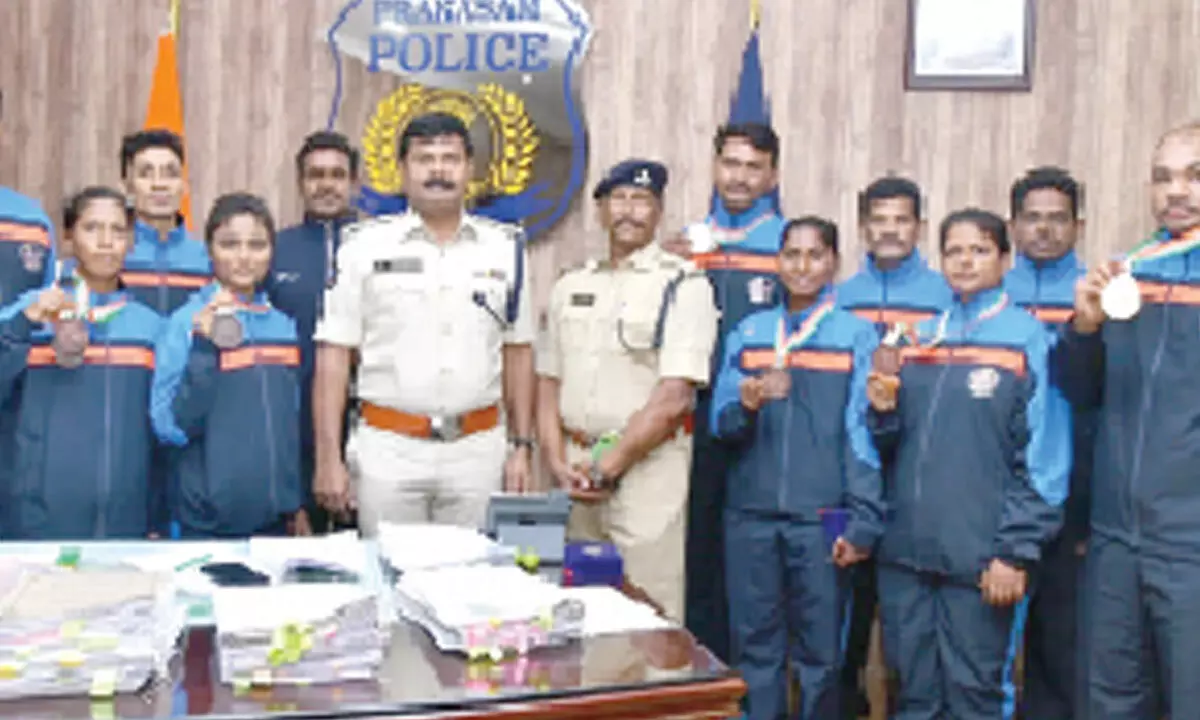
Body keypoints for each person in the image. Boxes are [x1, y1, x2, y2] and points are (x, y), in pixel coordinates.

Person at [867, 208, 1069, 720]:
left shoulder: (1026, 340)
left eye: (978, 250)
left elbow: (1047, 459)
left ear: (1005, 259)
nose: (964, 261)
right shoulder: (916, 339)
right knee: (912, 695)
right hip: (906, 555)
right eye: (954, 250)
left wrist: (1015, 552)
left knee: (976, 698)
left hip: (982, 562)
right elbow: (889, 443)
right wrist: (882, 411)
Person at [312, 112, 536, 534]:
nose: (438, 170)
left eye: (450, 158)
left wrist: (522, 448)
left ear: (470, 169)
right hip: (388, 451)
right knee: (388, 584)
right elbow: (333, 356)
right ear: (402, 170)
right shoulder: (362, 247)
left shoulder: (506, 249)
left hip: (477, 453)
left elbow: (519, 353)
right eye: (424, 159)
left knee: (471, 586)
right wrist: (328, 458)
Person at [709, 216, 882, 720]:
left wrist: (863, 520)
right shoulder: (750, 333)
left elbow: (864, 436)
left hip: (821, 520)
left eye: (815, 255)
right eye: (792, 255)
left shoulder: (856, 337)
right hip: (751, 517)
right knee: (755, 652)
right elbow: (722, 425)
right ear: (778, 262)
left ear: (833, 263)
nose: (802, 266)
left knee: (821, 657)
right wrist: (745, 402)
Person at [1056, 122, 1200, 718]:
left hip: (1191, 544)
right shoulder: (1127, 273)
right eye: (1164, 177)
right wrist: (1084, 329)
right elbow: (1082, 395)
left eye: (1194, 175)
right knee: (1110, 703)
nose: (1177, 191)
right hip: (1116, 539)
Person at [536, 159, 718, 622]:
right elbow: (547, 383)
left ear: (658, 211)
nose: (629, 212)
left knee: (647, 618)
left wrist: (609, 466)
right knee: (580, 614)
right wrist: (558, 464)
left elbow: (674, 396)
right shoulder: (570, 284)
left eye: (642, 201)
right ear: (600, 209)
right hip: (576, 476)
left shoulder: (684, 284)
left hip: (646, 476)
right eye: (619, 199)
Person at [834, 174, 952, 717]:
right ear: (863, 228)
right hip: (850, 477)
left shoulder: (944, 298)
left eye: (901, 220)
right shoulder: (839, 297)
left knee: (914, 636)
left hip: (918, 474)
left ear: (919, 227)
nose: (889, 230)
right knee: (844, 627)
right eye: (878, 220)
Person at [671, 123, 785, 662]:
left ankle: (747, 686)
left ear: (772, 175)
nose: (740, 177)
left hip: (761, 430)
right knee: (692, 558)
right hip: (685, 427)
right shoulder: (683, 245)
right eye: (731, 164)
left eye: (753, 166)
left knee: (751, 571)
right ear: (715, 167)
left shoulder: (790, 249)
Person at [0, 187, 161, 539]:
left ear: (131, 242)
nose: (106, 242)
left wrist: (156, 516)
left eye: (118, 231)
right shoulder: (31, 310)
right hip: (38, 525)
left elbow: (158, 435)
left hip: (123, 527)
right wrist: (23, 324)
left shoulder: (150, 327)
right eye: (92, 229)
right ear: (69, 238)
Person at [150, 193, 304, 539]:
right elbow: (169, 426)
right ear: (209, 250)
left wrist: (293, 500)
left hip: (274, 521)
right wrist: (204, 348)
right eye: (230, 244)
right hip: (207, 523)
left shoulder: (282, 325)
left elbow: (287, 425)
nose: (244, 257)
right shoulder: (184, 323)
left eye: (257, 245)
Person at [1004, 166, 1089, 720]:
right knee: (992, 649)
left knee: (1063, 648)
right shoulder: (989, 293)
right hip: (1000, 497)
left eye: (1057, 218)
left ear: (1078, 226)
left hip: (1077, 497)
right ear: (1012, 226)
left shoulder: (1098, 295)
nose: (1044, 230)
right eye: (1032, 218)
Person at [266, 131, 360, 533]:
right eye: (315, 175)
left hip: (370, 431)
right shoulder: (274, 251)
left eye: (337, 175)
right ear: (300, 183)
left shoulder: (378, 247)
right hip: (293, 429)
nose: (326, 184)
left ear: (354, 183)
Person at [118, 129, 212, 314]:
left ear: (184, 186)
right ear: (126, 187)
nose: (159, 184)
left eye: (171, 174)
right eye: (146, 174)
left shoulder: (208, 260)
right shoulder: (111, 255)